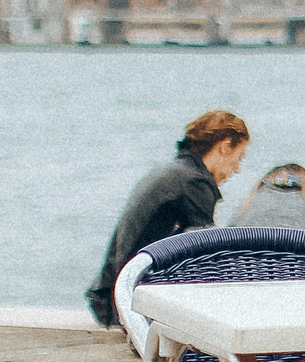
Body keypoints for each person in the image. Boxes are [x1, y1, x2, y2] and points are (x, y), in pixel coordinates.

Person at [86, 109, 249, 326]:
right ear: (224, 146)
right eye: (239, 158)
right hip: (131, 308)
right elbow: (206, 259)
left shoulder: (174, 172)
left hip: (111, 298)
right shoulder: (195, 182)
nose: (237, 169)